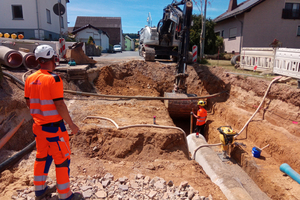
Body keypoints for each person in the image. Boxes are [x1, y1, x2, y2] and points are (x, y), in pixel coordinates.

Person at [24, 45, 83, 200]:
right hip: (54, 129)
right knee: (62, 159)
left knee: (41, 156)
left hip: (38, 127)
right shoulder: (53, 79)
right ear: (53, 59)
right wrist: (71, 124)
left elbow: (29, 103)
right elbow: (60, 105)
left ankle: (40, 189)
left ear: (38, 60)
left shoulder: (30, 78)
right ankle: (65, 194)